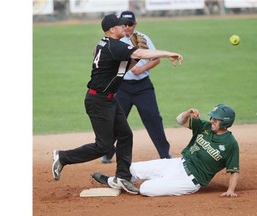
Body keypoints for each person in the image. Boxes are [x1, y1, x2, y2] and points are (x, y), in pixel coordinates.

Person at [51, 13, 183, 195]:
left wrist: (134, 58)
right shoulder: (114, 45)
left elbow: (123, 69)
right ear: (112, 30)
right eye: (121, 26)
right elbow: (143, 53)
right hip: (98, 101)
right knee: (103, 146)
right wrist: (169, 54)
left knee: (125, 135)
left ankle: (122, 177)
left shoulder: (106, 44)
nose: (125, 28)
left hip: (109, 99)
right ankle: (63, 156)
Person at [92, 104, 240, 197]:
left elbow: (234, 170)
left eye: (216, 119)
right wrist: (187, 113)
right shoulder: (205, 126)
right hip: (177, 164)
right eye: (212, 117)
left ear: (226, 122)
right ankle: (117, 181)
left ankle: (117, 182)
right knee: (131, 168)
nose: (212, 120)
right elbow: (179, 120)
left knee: (145, 189)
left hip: (189, 180)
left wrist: (231, 190)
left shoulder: (230, 144)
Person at [102, 11, 171, 164]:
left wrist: (142, 69)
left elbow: (156, 60)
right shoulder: (115, 40)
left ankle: (165, 154)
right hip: (122, 88)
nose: (127, 27)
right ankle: (108, 152)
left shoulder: (142, 38)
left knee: (154, 119)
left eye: (130, 24)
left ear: (135, 25)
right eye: (124, 24)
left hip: (143, 87)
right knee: (115, 121)